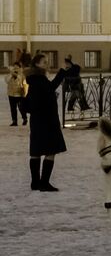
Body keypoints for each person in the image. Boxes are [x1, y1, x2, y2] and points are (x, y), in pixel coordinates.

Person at [24, 53, 64, 191]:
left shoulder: (33, 79)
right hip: (47, 120)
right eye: (44, 62)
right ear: (37, 64)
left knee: (36, 151)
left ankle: (35, 183)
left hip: (37, 120)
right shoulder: (39, 79)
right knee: (51, 150)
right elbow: (49, 89)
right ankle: (44, 183)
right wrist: (62, 73)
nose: (47, 64)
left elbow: (41, 95)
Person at [8, 61, 28, 126]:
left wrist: (25, 92)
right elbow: (6, 80)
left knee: (21, 107)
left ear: (20, 67)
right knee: (13, 108)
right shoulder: (10, 74)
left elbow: (24, 83)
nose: (15, 67)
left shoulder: (22, 74)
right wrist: (11, 74)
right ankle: (14, 121)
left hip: (19, 94)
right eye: (14, 66)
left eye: (17, 66)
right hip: (11, 93)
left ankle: (24, 118)